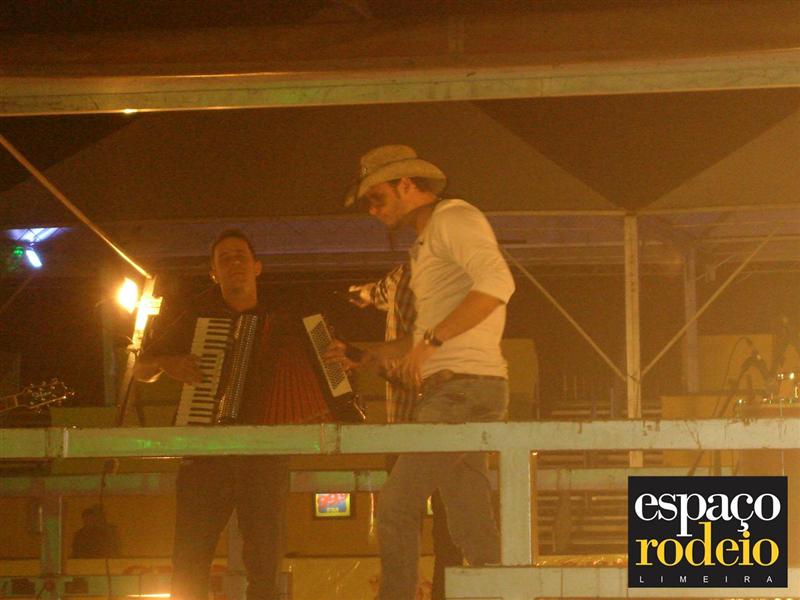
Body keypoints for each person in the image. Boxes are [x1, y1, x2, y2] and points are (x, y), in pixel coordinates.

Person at [330, 145, 515, 600]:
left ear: (407, 185)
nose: (373, 211)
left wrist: (431, 343)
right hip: (459, 390)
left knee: (396, 507)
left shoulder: (454, 218)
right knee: (471, 524)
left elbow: (498, 282)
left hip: (460, 390)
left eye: (377, 198)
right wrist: (368, 355)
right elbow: (417, 341)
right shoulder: (426, 242)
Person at [134, 229, 288, 600]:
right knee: (189, 561)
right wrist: (167, 362)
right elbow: (140, 369)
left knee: (266, 564)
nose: (234, 264)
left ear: (257, 267)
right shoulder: (192, 315)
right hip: (204, 456)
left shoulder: (284, 320)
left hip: (265, 456)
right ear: (213, 273)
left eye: (240, 256)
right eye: (224, 259)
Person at [348, 264, 462, 600]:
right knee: (447, 535)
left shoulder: (406, 274)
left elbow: (415, 362)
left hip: (408, 427)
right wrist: (364, 294)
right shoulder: (418, 274)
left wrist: (368, 357)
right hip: (441, 430)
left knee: (402, 530)